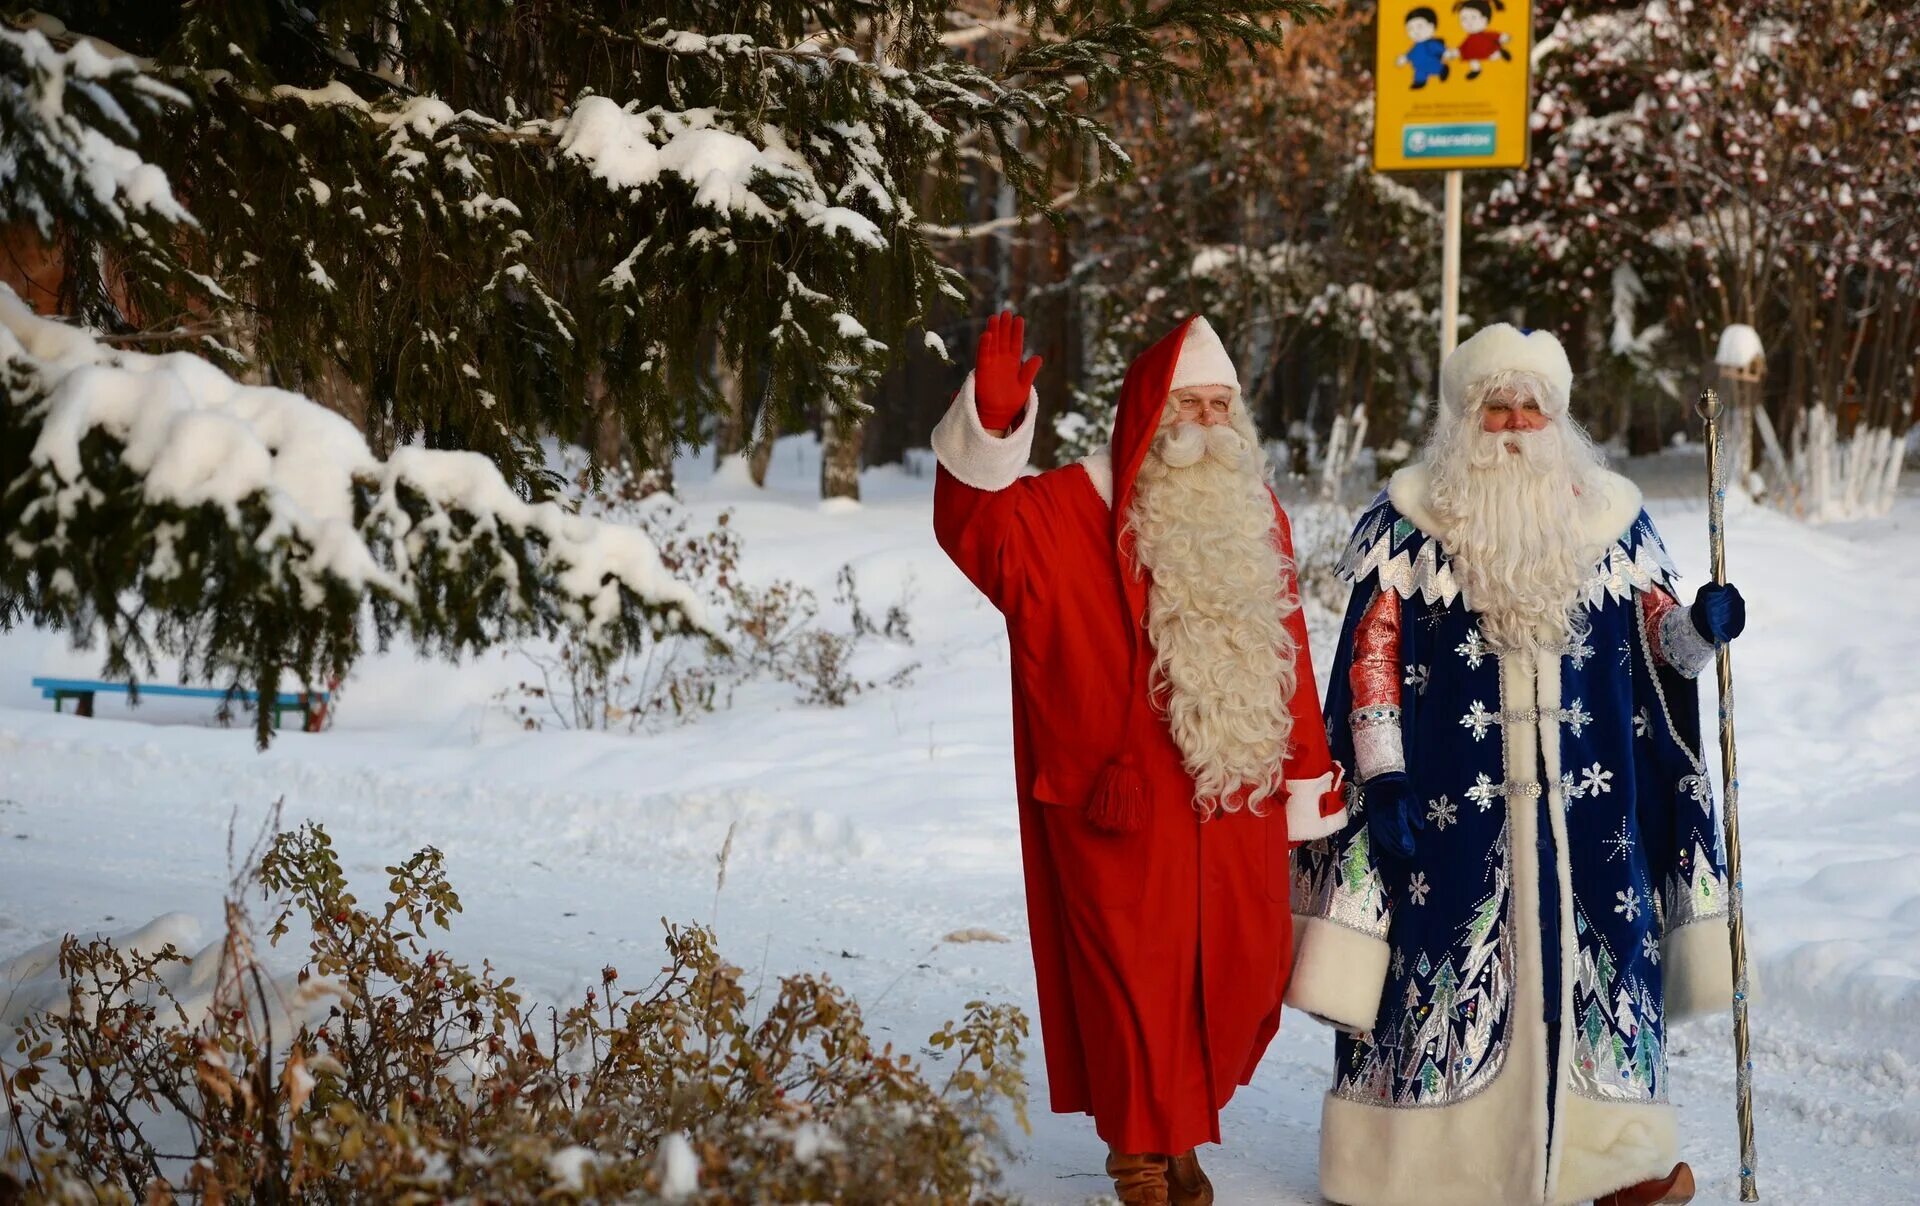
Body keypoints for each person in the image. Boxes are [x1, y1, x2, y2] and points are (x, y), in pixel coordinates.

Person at [1287, 324, 1745, 1206]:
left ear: (1558, 417)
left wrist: (1701, 628)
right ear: (1464, 415)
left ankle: (1610, 1164)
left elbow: (1660, 653)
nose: (1514, 422)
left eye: (1531, 406)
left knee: (1599, 966)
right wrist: (1382, 778)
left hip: (1588, 811)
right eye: (1496, 404)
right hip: (1449, 805)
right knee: (1441, 971)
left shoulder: (1614, 520)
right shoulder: (1408, 520)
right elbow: (1371, 657)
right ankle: (1415, 1175)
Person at [933, 311, 1348, 1204]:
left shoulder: (1254, 512)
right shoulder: (1068, 507)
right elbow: (981, 534)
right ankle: (1142, 1153)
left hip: (1233, 797)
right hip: (1119, 801)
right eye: (1186, 404)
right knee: (1136, 979)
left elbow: (1289, 651)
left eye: (1218, 404)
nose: (1204, 422)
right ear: (1147, 411)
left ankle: (1176, 1127)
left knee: (1237, 977)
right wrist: (993, 429)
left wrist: (1305, 771)